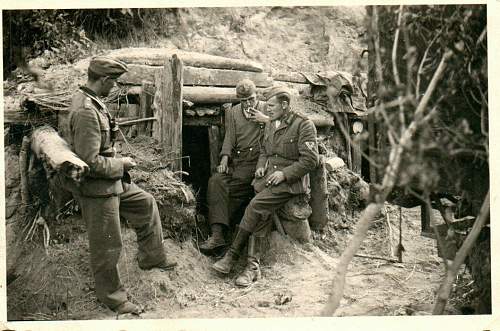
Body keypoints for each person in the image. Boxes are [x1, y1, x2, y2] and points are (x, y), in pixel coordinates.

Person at [62, 56, 176, 315]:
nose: (114, 87)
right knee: (108, 244)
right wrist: (121, 164)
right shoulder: (86, 111)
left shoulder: (92, 100)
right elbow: (88, 162)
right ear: (103, 79)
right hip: (96, 189)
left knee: (146, 203)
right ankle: (114, 298)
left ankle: (152, 258)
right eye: (113, 82)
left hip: (111, 183)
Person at [212, 86, 319, 287]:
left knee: (255, 205)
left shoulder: (303, 125)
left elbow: (310, 161)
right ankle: (253, 266)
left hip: (291, 183)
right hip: (270, 179)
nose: (266, 109)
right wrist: (261, 166)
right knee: (262, 211)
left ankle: (232, 256)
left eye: (271, 106)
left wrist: (284, 174)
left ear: (285, 105)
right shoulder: (272, 122)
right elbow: (264, 150)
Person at [200, 79, 269, 258]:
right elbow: (229, 138)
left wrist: (266, 120)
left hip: (259, 163)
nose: (248, 104)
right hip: (238, 162)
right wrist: (224, 160)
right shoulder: (233, 112)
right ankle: (217, 235)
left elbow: (284, 127)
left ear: (257, 96)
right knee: (216, 181)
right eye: (244, 101)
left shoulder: (267, 109)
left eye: (251, 99)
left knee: (236, 189)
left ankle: (227, 235)